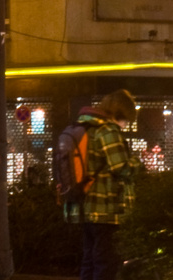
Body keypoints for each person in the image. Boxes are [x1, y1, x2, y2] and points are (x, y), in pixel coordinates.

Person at [65, 89, 141, 280]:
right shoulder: (108, 130)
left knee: (90, 260)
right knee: (106, 263)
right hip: (107, 209)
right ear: (119, 114)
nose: (125, 125)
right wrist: (137, 163)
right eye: (126, 120)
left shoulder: (86, 127)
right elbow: (121, 168)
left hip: (85, 207)